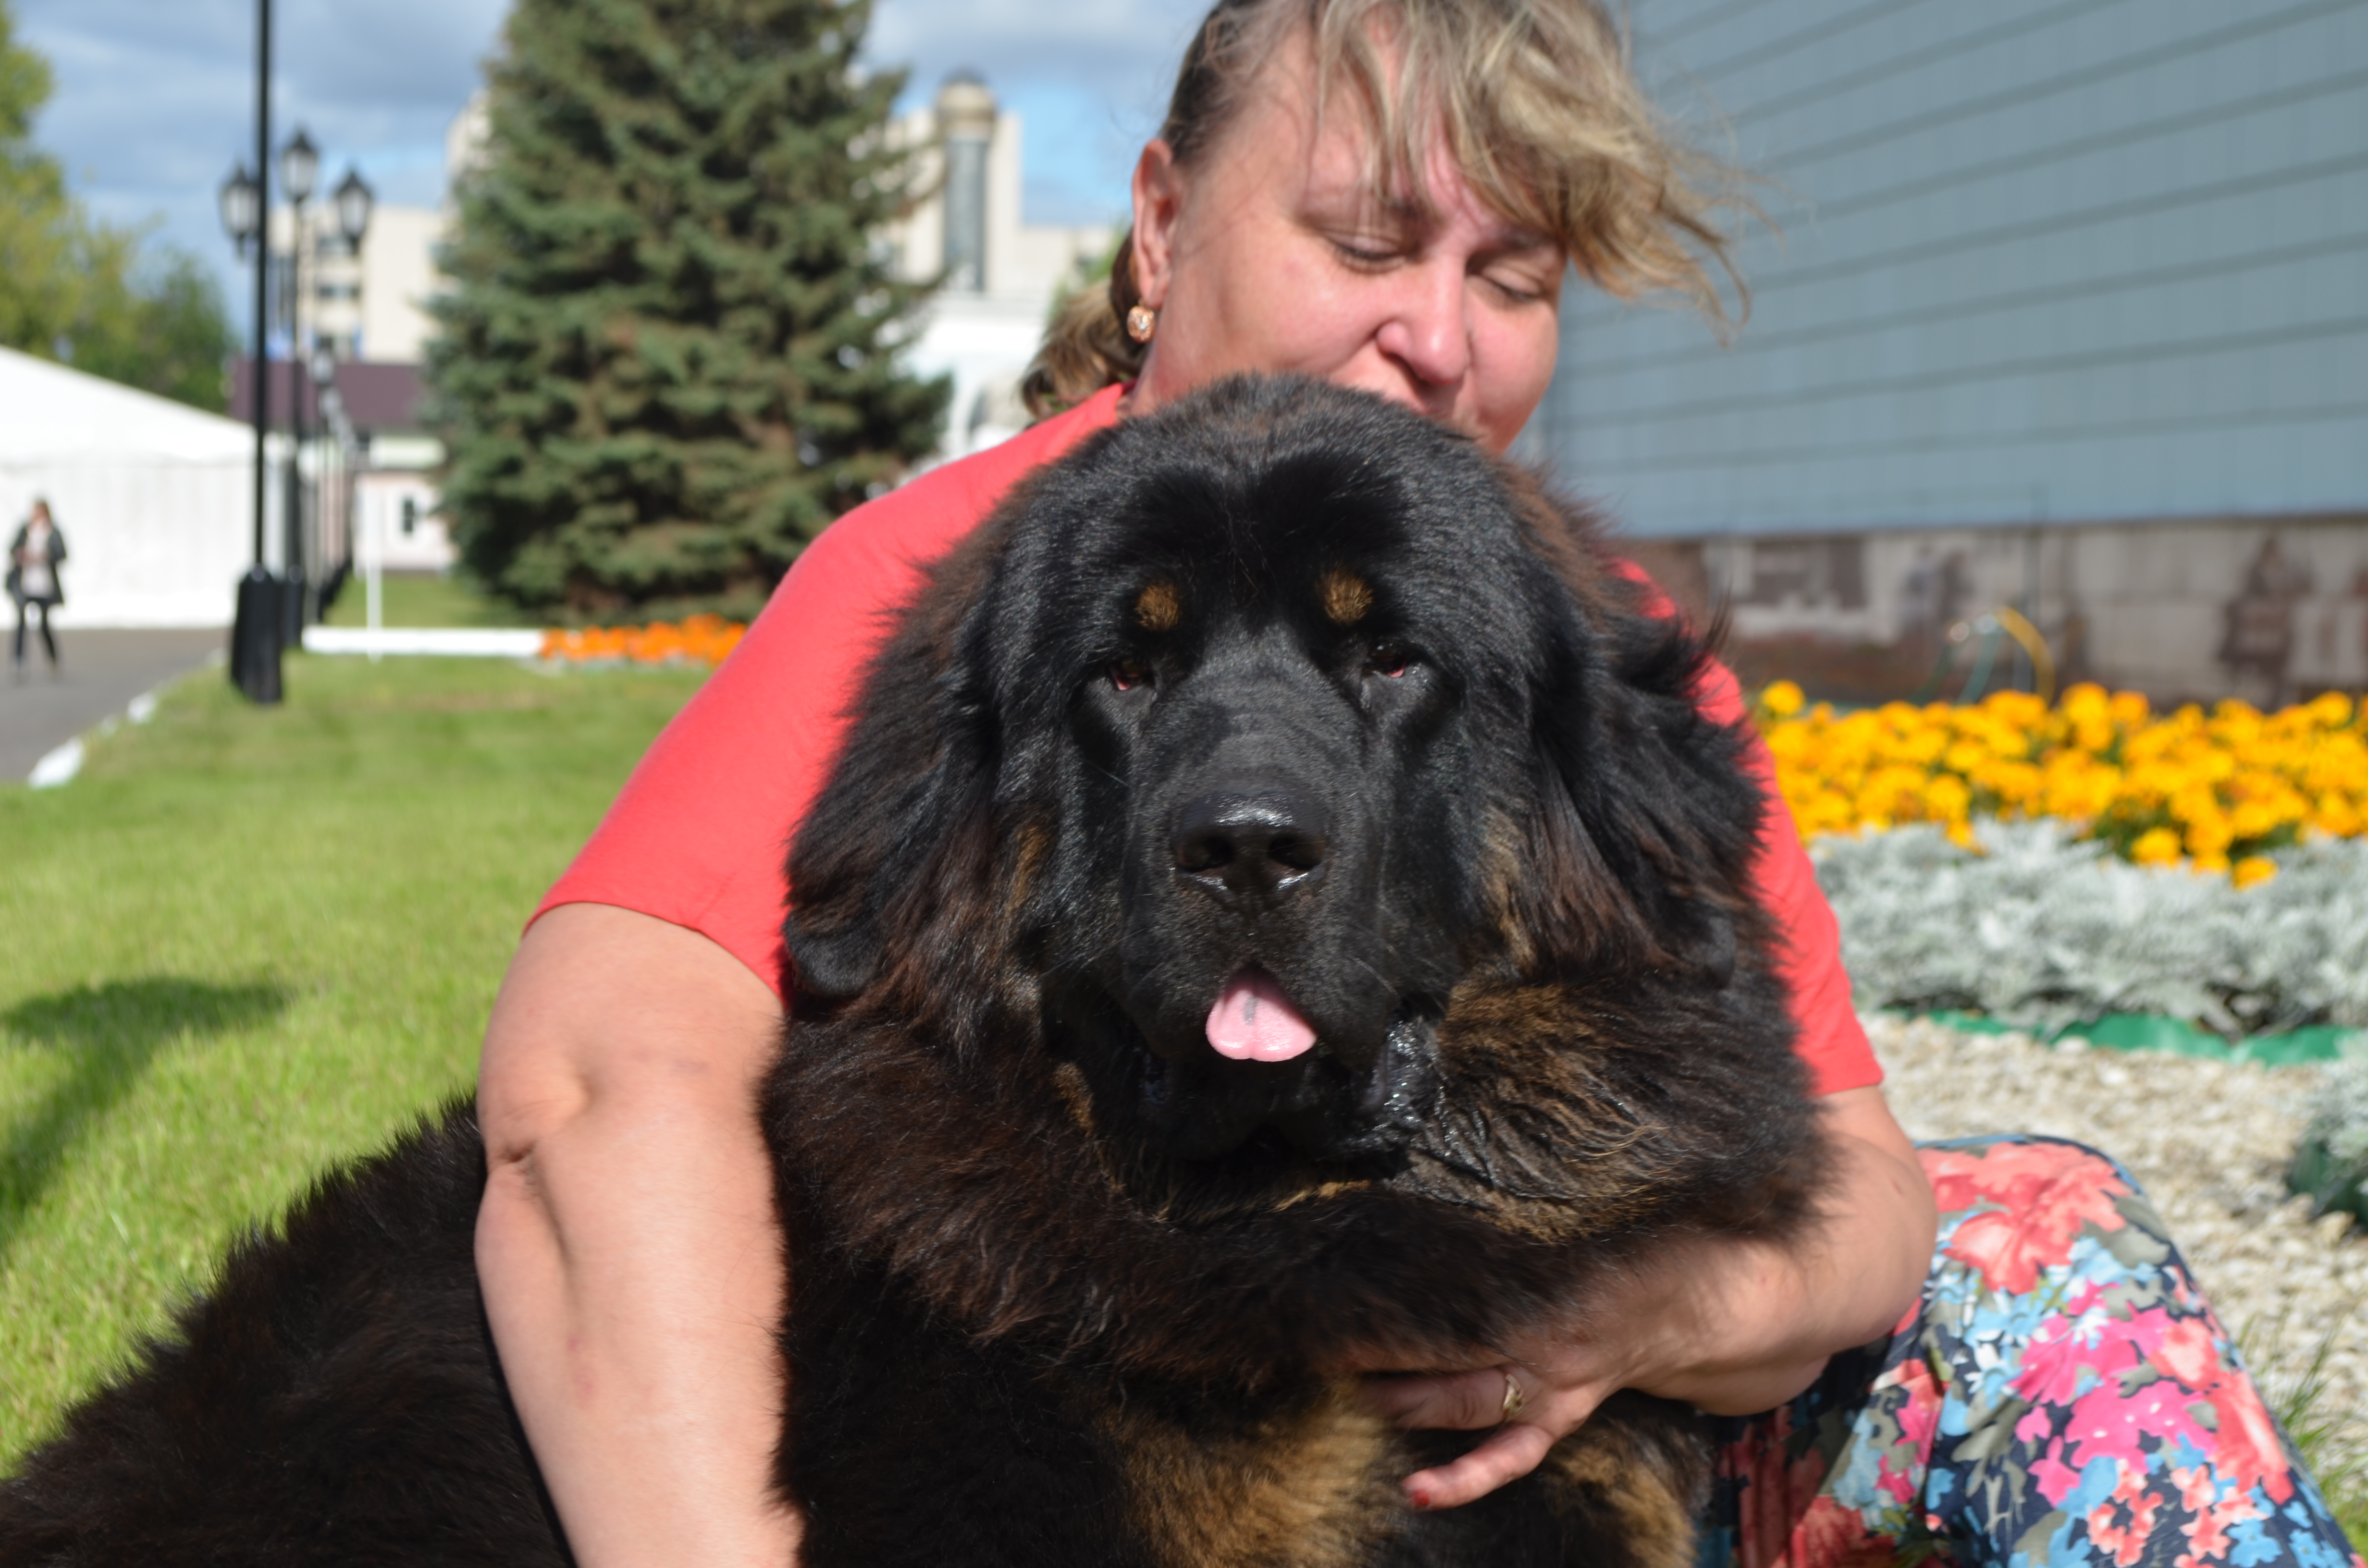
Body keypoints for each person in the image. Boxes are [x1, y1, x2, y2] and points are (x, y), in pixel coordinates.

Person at [474, 4, 2363, 1567]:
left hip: (1584, 1407)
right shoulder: (951, 587)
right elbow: (594, 1087)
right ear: (1160, 227)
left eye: (1509, 275)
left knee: (2045, 1242)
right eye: (1367, 244)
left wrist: (1630, 1315)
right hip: (1088, 1415)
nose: (1436, 339)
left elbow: (1860, 1195)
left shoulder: (1590, 638)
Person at [7, 498, 66, 680]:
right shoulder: (26, 530)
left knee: (43, 625)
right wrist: (22, 554)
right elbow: (12, 549)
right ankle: (19, 661)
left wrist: (44, 557)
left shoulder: (53, 531)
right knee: (21, 623)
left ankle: (52, 659)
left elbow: (61, 554)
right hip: (25, 584)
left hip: (44, 586)